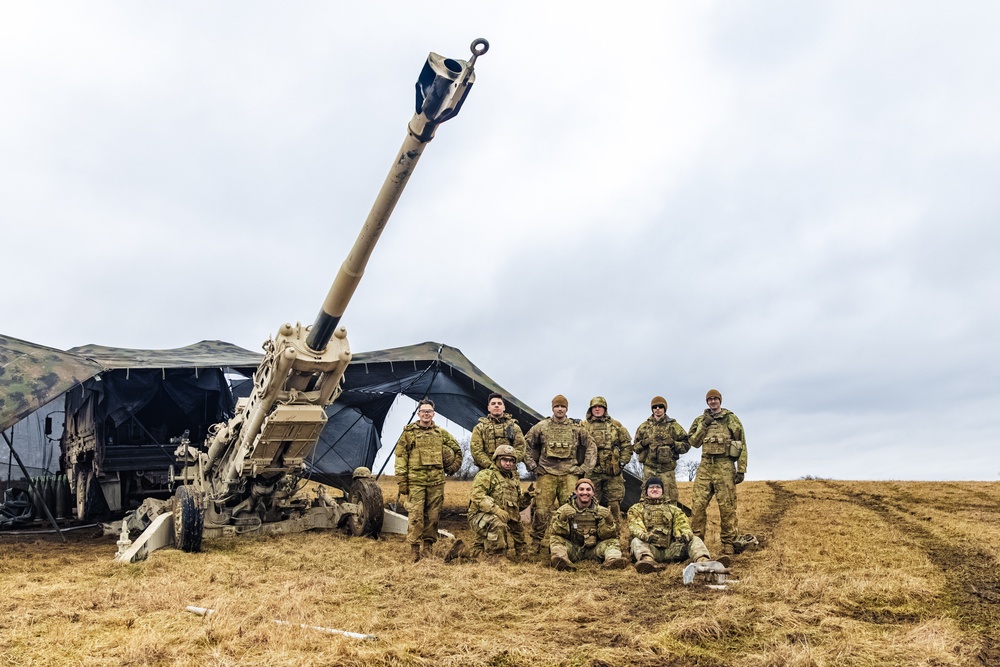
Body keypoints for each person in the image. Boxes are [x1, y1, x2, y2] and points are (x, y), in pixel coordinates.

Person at [524, 395, 596, 554]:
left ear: (566, 409)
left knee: (571, 510)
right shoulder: (541, 427)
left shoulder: (576, 428)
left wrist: (584, 468)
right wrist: (532, 466)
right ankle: (536, 542)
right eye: (557, 406)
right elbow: (526, 444)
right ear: (553, 408)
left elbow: (591, 446)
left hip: (569, 474)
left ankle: (572, 542)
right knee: (541, 511)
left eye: (563, 407)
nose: (560, 409)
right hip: (546, 474)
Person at [394, 398, 463, 561]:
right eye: (423, 411)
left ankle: (428, 548)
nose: (426, 414)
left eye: (429, 411)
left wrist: (452, 468)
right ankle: (414, 550)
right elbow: (400, 457)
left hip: (436, 483)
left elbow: (457, 451)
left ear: (433, 414)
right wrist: (402, 481)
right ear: (418, 413)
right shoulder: (408, 433)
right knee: (416, 516)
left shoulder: (441, 434)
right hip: (416, 482)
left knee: (433, 517)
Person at [688, 389, 747, 555]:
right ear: (707, 402)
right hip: (706, 465)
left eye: (715, 399)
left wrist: (741, 468)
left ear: (720, 400)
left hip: (725, 466)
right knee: (698, 505)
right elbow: (693, 442)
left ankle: (729, 542)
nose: (713, 402)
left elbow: (741, 443)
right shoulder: (700, 420)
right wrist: (704, 425)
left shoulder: (731, 419)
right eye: (710, 399)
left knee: (727, 506)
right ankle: (696, 543)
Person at [627, 477, 720, 573]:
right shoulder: (636, 509)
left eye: (658, 487)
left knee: (695, 539)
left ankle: (704, 561)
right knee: (636, 541)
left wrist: (685, 535)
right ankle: (648, 562)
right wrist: (645, 536)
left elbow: (682, 524)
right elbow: (635, 526)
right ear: (646, 491)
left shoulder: (673, 509)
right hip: (650, 549)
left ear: (662, 490)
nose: (655, 489)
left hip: (671, 550)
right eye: (651, 487)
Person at [464, 444, 528, 560]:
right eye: (504, 460)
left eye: (511, 461)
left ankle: (462, 552)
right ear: (497, 460)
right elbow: (477, 496)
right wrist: (496, 510)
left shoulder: (513, 481)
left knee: (516, 524)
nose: (508, 463)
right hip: (479, 516)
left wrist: (527, 498)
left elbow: (517, 507)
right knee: (498, 524)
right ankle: (498, 557)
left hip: (499, 517)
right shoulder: (486, 474)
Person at [548, 478, 628, 570]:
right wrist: (562, 518)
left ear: (593, 493)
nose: (585, 492)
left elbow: (606, 536)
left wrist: (609, 521)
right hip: (573, 549)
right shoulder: (565, 509)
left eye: (588, 489)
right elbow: (556, 532)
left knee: (613, 541)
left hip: (593, 550)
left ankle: (612, 561)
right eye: (581, 489)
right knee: (555, 539)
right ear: (576, 492)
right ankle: (562, 560)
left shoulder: (600, 510)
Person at [580, 396, 632, 528]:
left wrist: (622, 463)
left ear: (605, 409)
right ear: (590, 409)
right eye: (594, 407)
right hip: (592, 472)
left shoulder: (616, 426)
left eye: (600, 407)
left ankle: (615, 532)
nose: (597, 409)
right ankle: (591, 532)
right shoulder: (583, 426)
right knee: (589, 502)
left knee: (614, 504)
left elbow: (627, 445)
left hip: (612, 473)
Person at [632, 396, 690, 503]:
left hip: (667, 471)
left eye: (660, 406)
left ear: (665, 408)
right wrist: (645, 442)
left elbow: (686, 445)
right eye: (655, 407)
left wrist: (673, 443)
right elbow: (635, 447)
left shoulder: (674, 426)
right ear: (652, 409)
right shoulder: (644, 427)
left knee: (670, 500)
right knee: (646, 499)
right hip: (649, 469)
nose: (657, 409)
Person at [470, 393, 527, 470]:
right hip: (487, 471)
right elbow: (476, 450)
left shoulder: (514, 427)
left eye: (499, 403)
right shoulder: (480, 428)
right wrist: (490, 465)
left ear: (504, 407)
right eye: (493, 404)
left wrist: (508, 463)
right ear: (488, 408)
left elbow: (520, 448)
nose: (496, 405)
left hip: (509, 471)